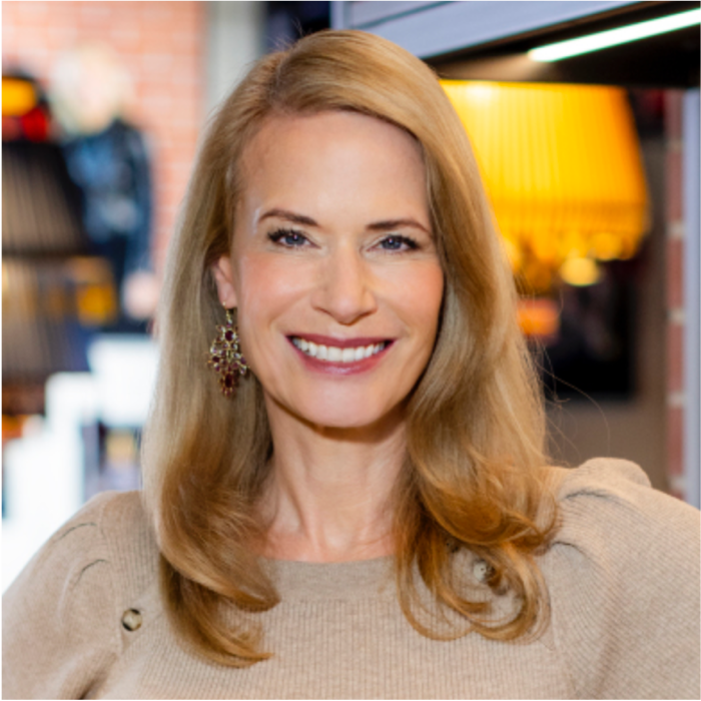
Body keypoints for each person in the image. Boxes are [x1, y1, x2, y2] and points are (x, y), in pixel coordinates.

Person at [2, 30, 700, 700]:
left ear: (451, 277)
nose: (344, 298)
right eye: (292, 237)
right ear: (226, 275)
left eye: (393, 242)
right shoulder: (108, 571)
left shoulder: (592, 562)